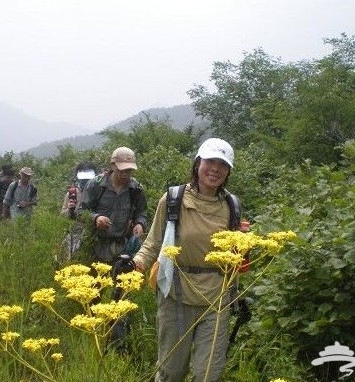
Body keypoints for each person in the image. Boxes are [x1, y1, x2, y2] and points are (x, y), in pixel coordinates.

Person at [131, 138, 238, 382]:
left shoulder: (232, 205)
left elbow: (237, 253)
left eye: (222, 164)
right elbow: (153, 242)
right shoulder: (173, 199)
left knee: (208, 373)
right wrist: (135, 265)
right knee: (171, 371)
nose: (215, 169)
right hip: (176, 293)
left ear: (228, 171)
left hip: (217, 296)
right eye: (210, 161)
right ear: (198, 163)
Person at [76, 147, 147, 265]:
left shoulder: (135, 189)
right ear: (113, 165)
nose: (125, 174)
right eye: (122, 170)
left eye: (129, 171)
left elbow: (142, 213)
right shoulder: (96, 185)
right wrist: (96, 218)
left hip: (122, 249)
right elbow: (80, 212)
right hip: (95, 247)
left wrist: (140, 224)